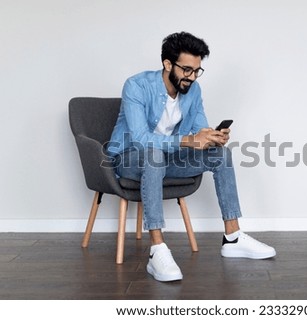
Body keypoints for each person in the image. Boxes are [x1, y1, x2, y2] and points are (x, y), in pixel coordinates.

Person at [107, 31, 276, 282]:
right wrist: (188, 140)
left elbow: (199, 128)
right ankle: (157, 250)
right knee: (153, 154)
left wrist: (210, 137)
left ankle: (233, 237)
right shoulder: (136, 85)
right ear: (167, 64)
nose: (192, 77)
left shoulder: (193, 90)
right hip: (130, 158)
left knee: (220, 155)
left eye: (197, 70)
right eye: (187, 70)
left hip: (167, 158)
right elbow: (141, 139)